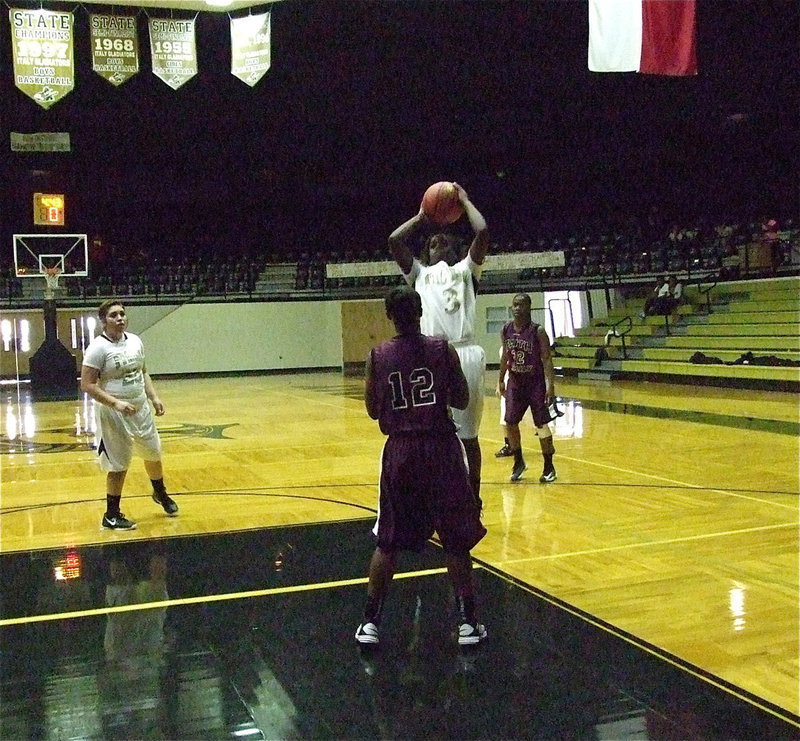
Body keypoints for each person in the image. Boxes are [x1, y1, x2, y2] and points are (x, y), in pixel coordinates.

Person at [355, 287, 487, 647]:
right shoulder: (441, 350)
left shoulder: (377, 355)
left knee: (388, 541)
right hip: (440, 448)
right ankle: (467, 623)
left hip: (400, 451)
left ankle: (370, 622)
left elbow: (371, 409)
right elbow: (461, 398)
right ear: (420, 311)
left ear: (389, 316)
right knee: (455, 539)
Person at [388, 182, 489, 506]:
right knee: (435, 436)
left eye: (443, 240)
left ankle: (473, 498)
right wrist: (422, 216)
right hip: (430, 355)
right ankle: (440, 497)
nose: (438, 243)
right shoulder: (418, 275)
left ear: (455, 250)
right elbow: (394, 240)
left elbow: (483, 231)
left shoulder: (466, 271)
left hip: (466, 352)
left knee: (468, 436)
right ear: (426, 254)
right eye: (432, 243)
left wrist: (465, 199)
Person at [81, 299, 178, 531]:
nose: (120, 318)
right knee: (119, 463)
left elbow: (143, 372)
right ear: (104, 321)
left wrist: (154, 397)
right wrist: (116, 403)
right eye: (114, 315)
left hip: (140, 407)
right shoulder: (98, 348)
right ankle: (111, 515)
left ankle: (160, 493)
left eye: (122, 314)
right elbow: (87, 384)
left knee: (153, 453)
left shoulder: (135, 341)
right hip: (114, 412)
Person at [497, 293, 557, 483]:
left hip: (535, 382)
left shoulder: (537, 331)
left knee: (541, 424)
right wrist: (500, 379)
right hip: (515, 381)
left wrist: (550, 386)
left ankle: (549, 466)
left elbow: (547, 359)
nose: (517, 308)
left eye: (521, 305)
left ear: (529, 307)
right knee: (510, 422)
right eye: (514, 305)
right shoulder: (506, 329)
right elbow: (506, 356)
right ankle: (518, 461)